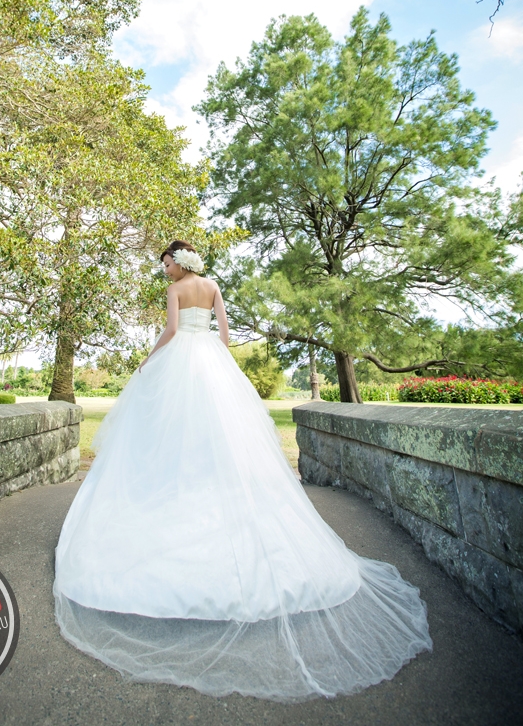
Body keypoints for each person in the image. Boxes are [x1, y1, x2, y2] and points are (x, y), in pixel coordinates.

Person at [53, 241, 432, 703]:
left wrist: (149, 359)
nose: (165, 271)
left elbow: (171, 330)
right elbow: (226, 337)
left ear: (180, 263)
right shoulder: (212, 285)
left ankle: (177, 490)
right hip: (211, 362)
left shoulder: (176, 291)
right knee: (220, 433)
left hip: (179, 362)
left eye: (167, 263)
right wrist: (216, 364)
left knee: (172, 431)